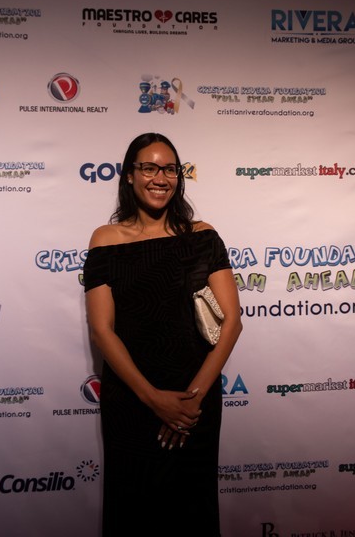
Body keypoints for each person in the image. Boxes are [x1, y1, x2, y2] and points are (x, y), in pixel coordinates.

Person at [83, 132, 242, 536]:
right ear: (130, 175)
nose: (160, 178)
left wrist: (190, 402)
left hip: (194, 399)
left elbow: (232, 322)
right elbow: (102, 330)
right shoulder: (105, 240)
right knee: (133, 511)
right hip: (132, 400)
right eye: (149, 168)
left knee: (192, 511)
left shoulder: (202, 235)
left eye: (169, 169)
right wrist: (153, 399)